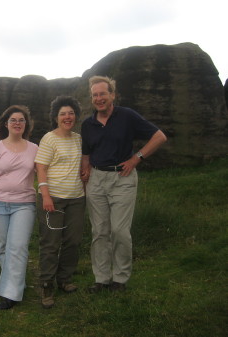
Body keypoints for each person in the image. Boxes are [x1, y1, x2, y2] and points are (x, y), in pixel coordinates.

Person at [81, 75, 167, 293]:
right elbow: (86, 154)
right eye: (95, 95)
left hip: (122, 178)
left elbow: (159, 137)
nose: (99, 98)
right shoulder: (88, 124)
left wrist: (137, 157)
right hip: (96, 180)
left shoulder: (127, 116)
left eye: (103, 94)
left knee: (119, 230)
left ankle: (120, 278)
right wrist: (86, 173)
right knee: (99, 231)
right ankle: (101, 279)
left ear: (112, 95)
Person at [0, 105, 38, 310]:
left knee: (19, 247)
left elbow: (45, 173)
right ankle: (16, 284)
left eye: (21, 120)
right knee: (3, 247)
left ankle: (10, 295)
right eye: (13, 120)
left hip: (24, 205)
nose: (17, 123)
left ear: (26, 124)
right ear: (6, 124)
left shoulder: (34, 149)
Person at [35, 95, 86, 309]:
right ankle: (46, 286)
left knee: (72, 241)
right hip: (53, 198)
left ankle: (64, 280)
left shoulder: (78, 138)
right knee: (50, 243)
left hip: (76, 198)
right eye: (63, 114)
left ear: (75, 116)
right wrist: (45, 196)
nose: (67, 117)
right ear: (56, 117)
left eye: (71, 113)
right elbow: (41, 168)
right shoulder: (49, 138)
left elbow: (84, 159)